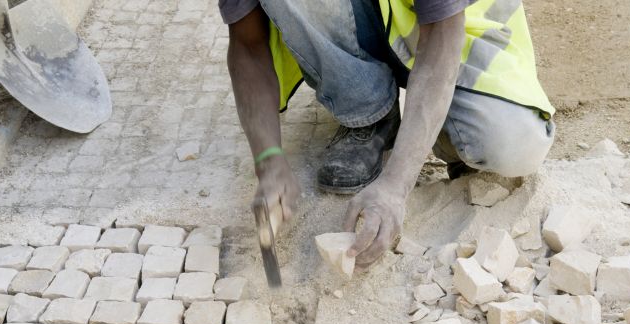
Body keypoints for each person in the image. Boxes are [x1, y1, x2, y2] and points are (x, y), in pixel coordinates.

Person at [221, 0, 555, 270]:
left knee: (511, 146)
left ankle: (436, 123)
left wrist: (396, 185)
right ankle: (371, 112)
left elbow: (442, 33)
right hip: (371, 18)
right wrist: (268, 161)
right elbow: (248, 43)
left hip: (460, 28)